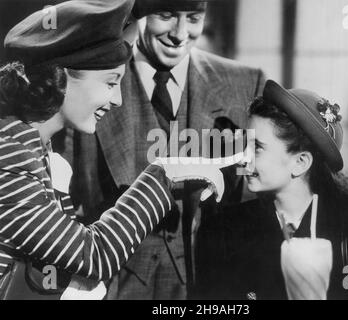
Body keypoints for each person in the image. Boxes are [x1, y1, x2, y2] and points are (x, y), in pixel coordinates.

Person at [0, 0, 233, 300]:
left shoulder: (31, 145)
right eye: (111, 83)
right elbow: (93, 256)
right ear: (62, 77)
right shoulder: (9, 153)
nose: (118, 100)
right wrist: (164, 173)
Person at [70, 0, 265, 299]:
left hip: (210, 290)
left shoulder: (245, 84)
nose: (180, 33)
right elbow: (67, 206)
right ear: (139, 14)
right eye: (166, 15)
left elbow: (257, 205)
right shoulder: (89, 83)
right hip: (109, 287)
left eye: (194, 18)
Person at [196, 80, 348, 300]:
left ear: (300, 162)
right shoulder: (224, 230)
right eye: (244, 145)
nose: (242, 157)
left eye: (257, 148)